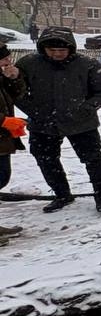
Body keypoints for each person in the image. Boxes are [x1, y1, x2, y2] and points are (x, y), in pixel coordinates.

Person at [15, 26, 101, 212]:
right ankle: (62, 194)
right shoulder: (29, 64)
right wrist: (34, 111)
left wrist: (86, 108)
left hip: (81, 122)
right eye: (52, 50)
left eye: (62, 50)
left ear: (71, 48)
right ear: (43, 48)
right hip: (43, 123)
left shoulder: (88, 65)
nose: (57, 54)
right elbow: (15, 91)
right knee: (46, 159)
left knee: (92, 158)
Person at [0, 43, 29, 238]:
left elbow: (16, 96)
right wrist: (3, 121)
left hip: (2, 139)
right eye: (3, 59)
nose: (8, 61)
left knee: (2, 177)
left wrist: (14, 78)